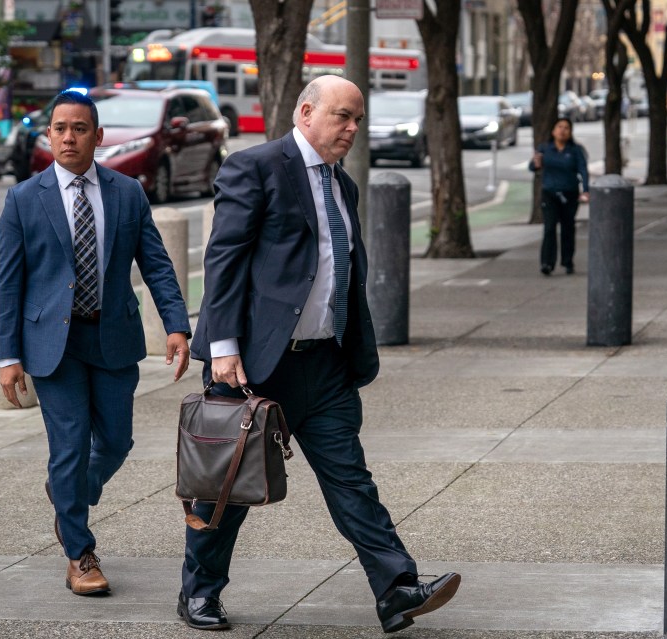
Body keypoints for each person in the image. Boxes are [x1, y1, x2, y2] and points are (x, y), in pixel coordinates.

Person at [182, 75, 461, 633]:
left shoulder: (342, 185)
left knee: (351, 480)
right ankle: (200, 594)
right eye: (342, 117)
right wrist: (222, 349)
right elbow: (225, 262)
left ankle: (396, 589)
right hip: (255, 365)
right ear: (306, 112)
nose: (352, 129)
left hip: (325, 364)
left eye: (358, 119)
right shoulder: (255, 167)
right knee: (227, 486)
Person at [0, 89, 192, 596]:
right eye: (60, 128)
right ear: (49, 134)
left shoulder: (127, 192)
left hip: (113, 336)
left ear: (97, 137)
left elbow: (156, 264)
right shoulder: (23, 198)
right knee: (69, 445)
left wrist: (176, 324)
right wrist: (8, 357)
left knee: (117, 441)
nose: (69, 137)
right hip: (50, 345)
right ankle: (80, 554)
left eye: (80, 128)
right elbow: (8, 283)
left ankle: (69, 497)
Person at [529, 117, 590, 276]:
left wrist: (585, 190)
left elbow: (582, 170)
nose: (562, 130)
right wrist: (535, 163)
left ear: (570, 132)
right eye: (559, 127)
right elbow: (533, 167)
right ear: (553, 131)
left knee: (568, 228)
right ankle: (547, 262)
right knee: (549, 228)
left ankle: (567, 261)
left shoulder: (575, 150)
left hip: (569, 194)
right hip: (550, 193)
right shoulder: (545, 149)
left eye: (566, 128)